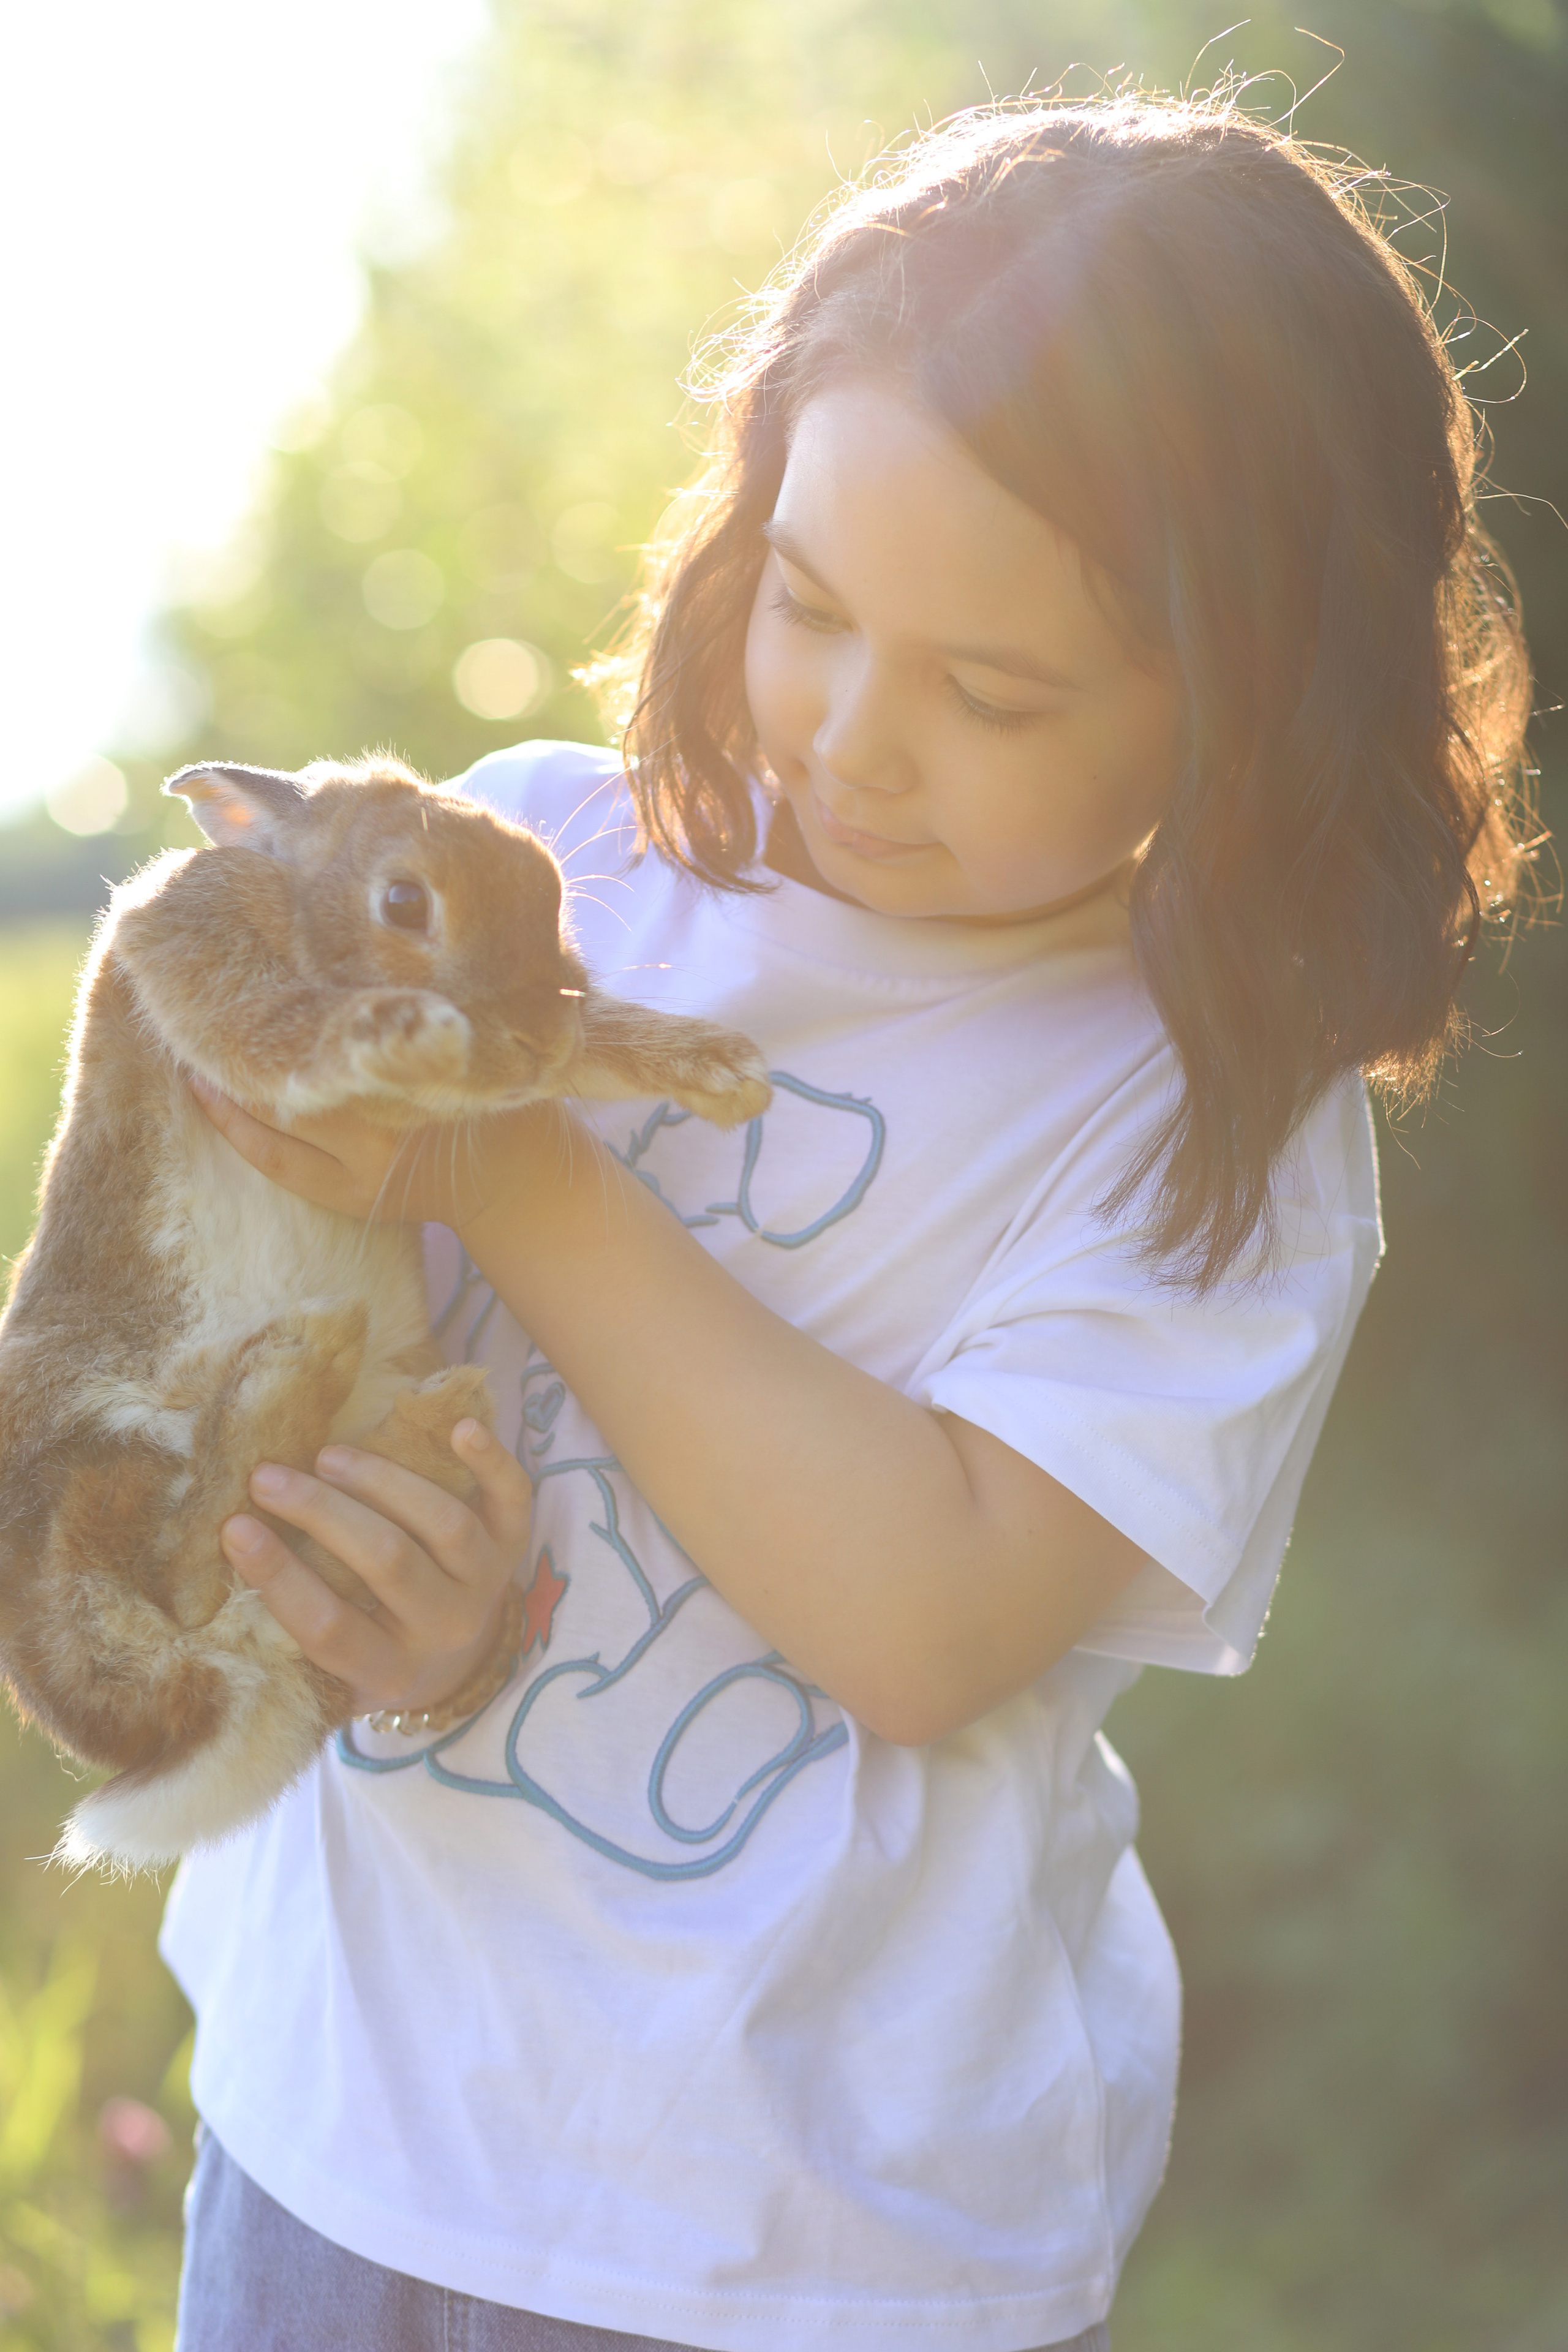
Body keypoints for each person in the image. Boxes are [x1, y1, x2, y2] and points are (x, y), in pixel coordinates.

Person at [164, 91, 1534, 2352]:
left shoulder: (1206, 1119)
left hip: (820, 2248)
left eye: (995, 690)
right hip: (342, 2142)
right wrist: (375, 1629)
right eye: (806, 602)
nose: (851, 740)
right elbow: (265, 1366)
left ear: (1252, 708)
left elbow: (925, 1609)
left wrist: (503, 1144)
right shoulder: (538, 872)